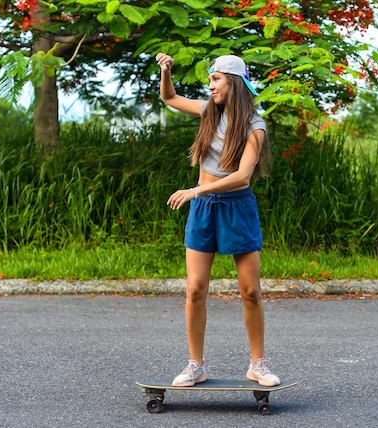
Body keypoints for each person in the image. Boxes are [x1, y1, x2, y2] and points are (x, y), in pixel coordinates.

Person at [155, 52, 280, 388]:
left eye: (216, 79)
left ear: (233, 83)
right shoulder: (209, 110)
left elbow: (242, 177)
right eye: (210, 80)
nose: (210, 86)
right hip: (204, 210)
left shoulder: (255, 127)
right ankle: (196, 364)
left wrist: (194, 191)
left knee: (251, 290)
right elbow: (169, 97)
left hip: (237, 207)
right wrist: (167, 71)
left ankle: (258, 364)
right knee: (195, 289)